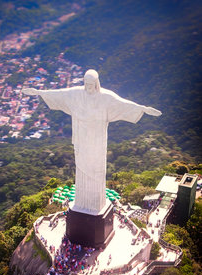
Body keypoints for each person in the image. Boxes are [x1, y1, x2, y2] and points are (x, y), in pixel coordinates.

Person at [23, 69, 161, 215]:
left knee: (96, 169)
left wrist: (142, 109)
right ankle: (82, 204)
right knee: (82, 168)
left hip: (97, 142)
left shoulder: (105, 97)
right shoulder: (76, 94)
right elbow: (60, 94)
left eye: (91, 84)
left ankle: (95, 205)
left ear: (96, 83)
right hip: (82, 140)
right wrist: (40, 92)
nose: (88, 87)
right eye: (86, 84)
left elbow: (122, 104)